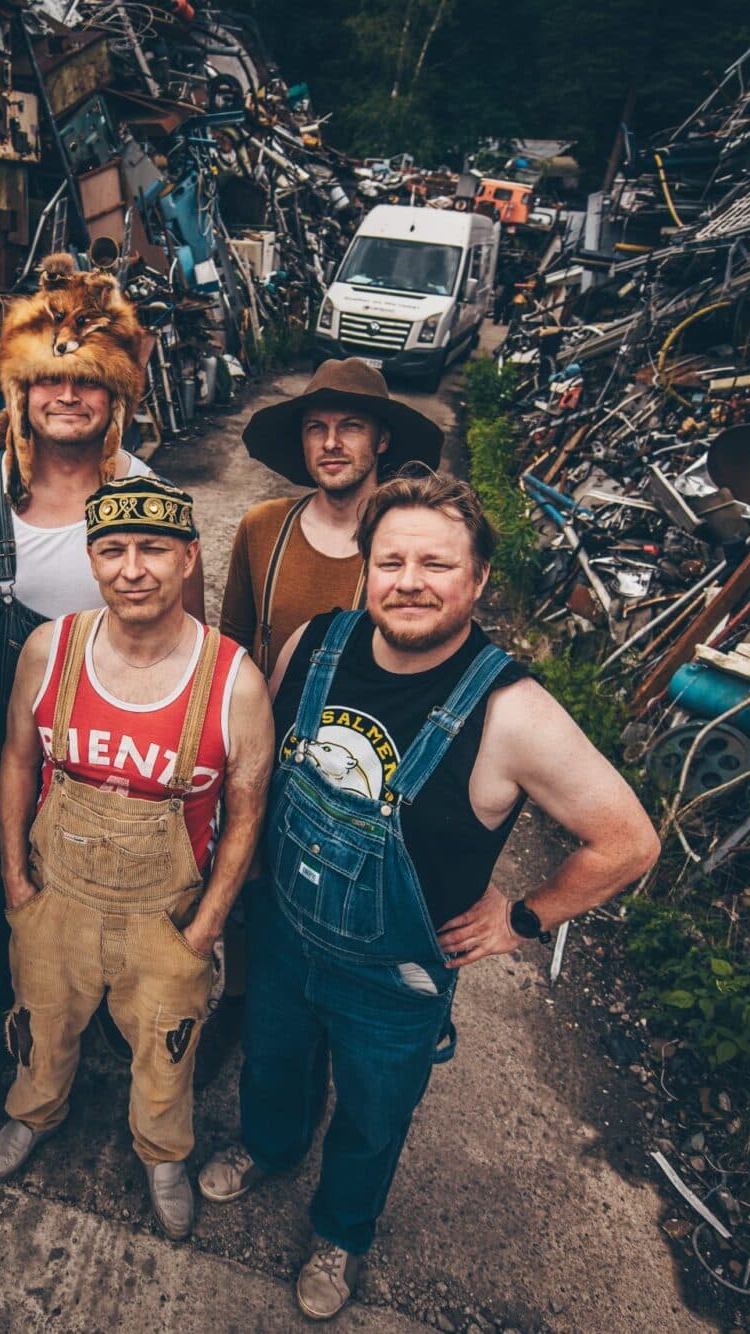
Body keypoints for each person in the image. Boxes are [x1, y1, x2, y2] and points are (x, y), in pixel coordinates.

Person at [196, 469, 660, 1319]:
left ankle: (341, 1230)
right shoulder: (312, 643)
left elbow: (628, 840)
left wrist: (523, 917)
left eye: (437, 565)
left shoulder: (512, 711)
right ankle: (268, 1148)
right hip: (287, 931)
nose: (410, 581)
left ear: (478, 581)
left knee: (373, 1120)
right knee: (271, 1063)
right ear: (364, 568)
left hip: (394, 976)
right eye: (391, 560)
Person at [0, 476, 271, 1241]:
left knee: (166, 1051)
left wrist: (204, 931)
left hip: (166, 920)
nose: (132, 568)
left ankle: (163, 1155)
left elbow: (246, 815)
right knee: (41, 1026)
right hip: (55, 900)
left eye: (153, 550)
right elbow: (14, 760)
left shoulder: (233, 680)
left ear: (187, 559)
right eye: (112, 549)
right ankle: (32, 1113)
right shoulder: (51, 648)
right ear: (92, 557)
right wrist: (14, 881)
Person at [0, 258, 204, 1078]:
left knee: (108, 887)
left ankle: (102, 1007)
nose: (68, 397)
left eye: (88, 381)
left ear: (117, 396)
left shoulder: (151, 499)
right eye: (49, 380)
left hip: (101, 754)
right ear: (19, 392)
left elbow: (192, 631)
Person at [199, 359, 445, 1079]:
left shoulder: (403, 549)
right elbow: (236, 648)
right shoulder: (263, 528)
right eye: (317, 429)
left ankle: (342, 1019)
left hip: (368, 769)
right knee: (247, 884)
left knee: (351, 903)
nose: (332, 443)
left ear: (380, 442)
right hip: (271, 756)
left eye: (350, 428)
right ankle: (242, 1002)